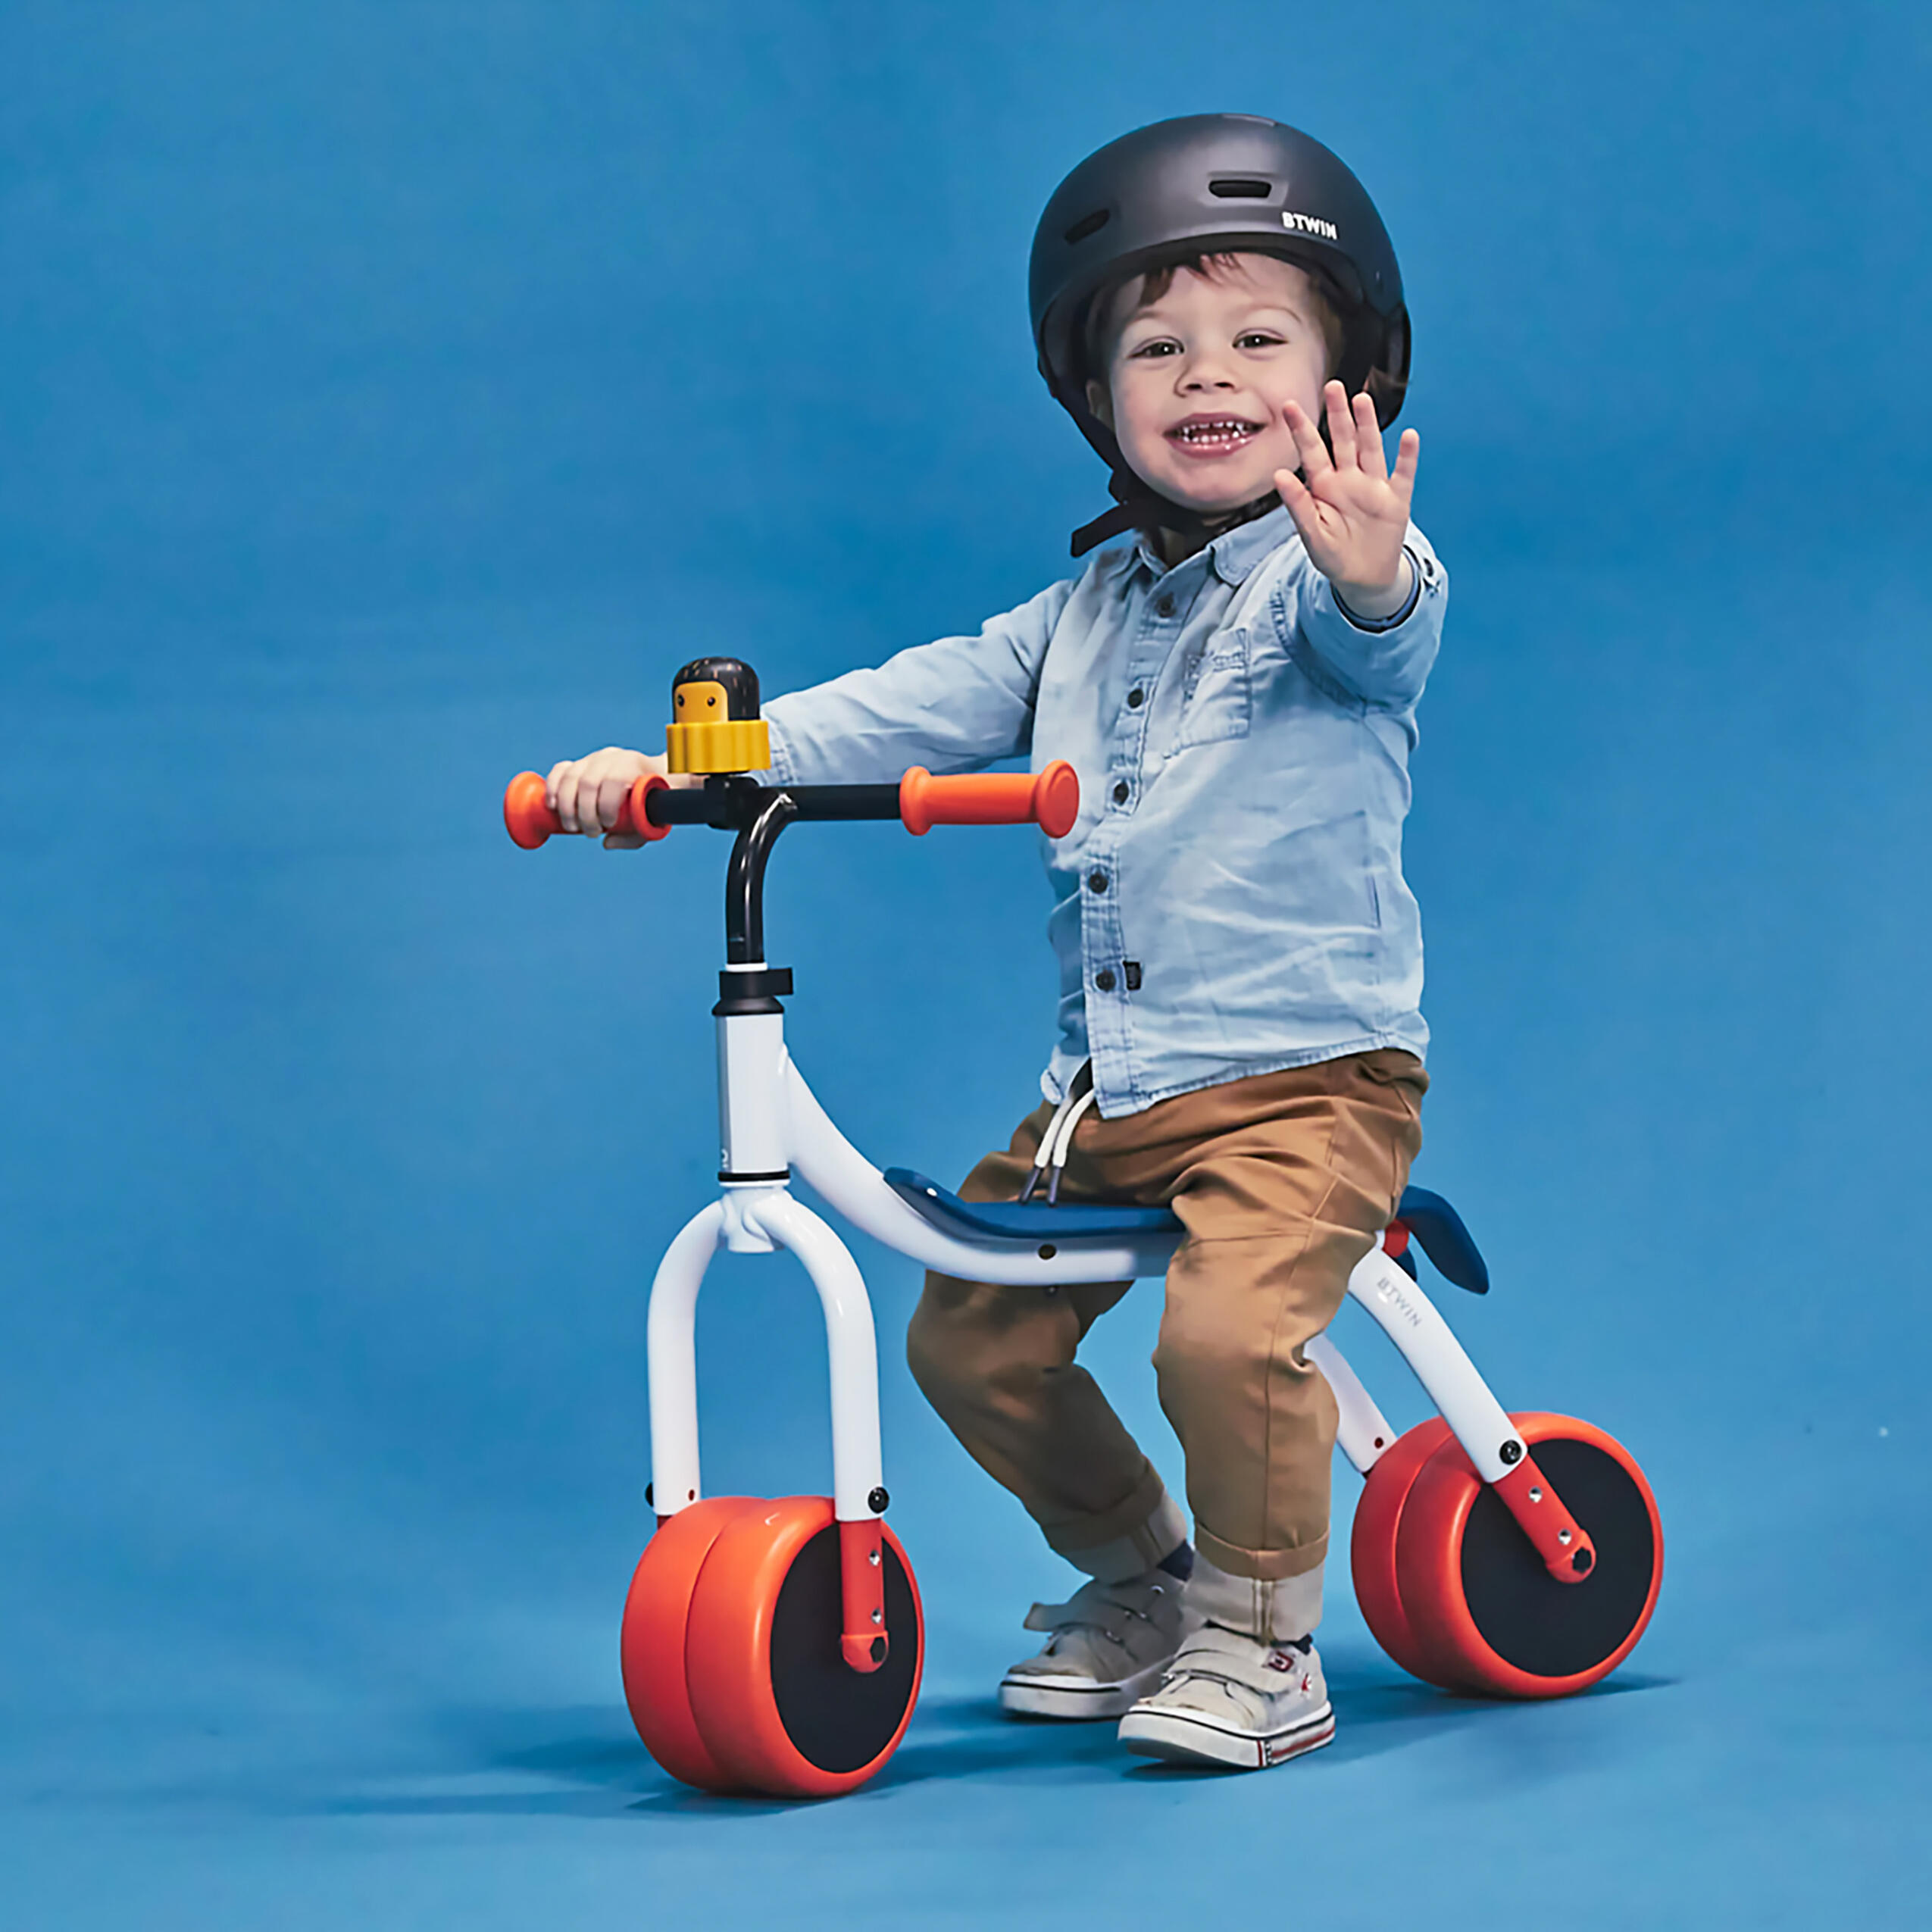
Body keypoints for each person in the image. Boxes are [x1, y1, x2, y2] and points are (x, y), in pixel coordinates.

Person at [547, 114, 1446, 1771]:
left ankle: (1266, 1638)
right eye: (1155, 346)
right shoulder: (1081, 613)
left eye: (1258, 339)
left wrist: (1374, 570)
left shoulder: (1337, 579)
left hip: (1306, 1085)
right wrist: (681, 769)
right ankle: (1148, 1580)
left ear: (1345, 382)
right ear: (1095, 396)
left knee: (1230, 1338)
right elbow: (898, 706)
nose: (1206, 373)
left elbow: (1381, 634)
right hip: (1104, 1096)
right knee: (967, 1332)